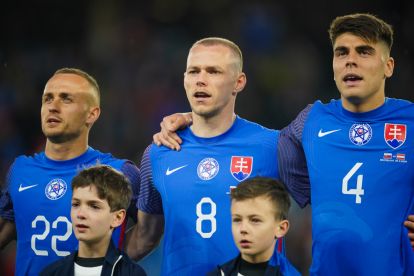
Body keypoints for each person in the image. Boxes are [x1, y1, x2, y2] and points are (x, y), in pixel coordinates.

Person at [155, 13, 414, 275]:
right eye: (342, 53)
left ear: (388, 66)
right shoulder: (311, 121)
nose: (351, 61)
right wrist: (192, 118)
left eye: (364, 52)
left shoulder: (411, 122)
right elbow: (274, 155)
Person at [126, 37, 283, 275]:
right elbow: (145, 237)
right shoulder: (158, 153)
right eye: (194, 71)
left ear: (238, 82)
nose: (201, 79)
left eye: (213, 71)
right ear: (185, 80)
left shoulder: (273, 146)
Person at [0, 68, 140, 276]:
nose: (53, 107)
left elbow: (150, 230)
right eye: (47, 99)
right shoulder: (20, 171)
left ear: (92, 114)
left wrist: (110, 261)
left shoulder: (120, 172)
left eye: (66, 99)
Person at [40, 165, 146, 275]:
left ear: (117, 217)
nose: (80, 214)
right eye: (76, 204)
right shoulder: (51, 272)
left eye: (94, 206)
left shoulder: (132, 273)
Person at [207, 177, 299, 276]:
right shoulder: (219, 273)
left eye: (255, 220)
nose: (243, 229)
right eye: (237, 220)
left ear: (281, 228)